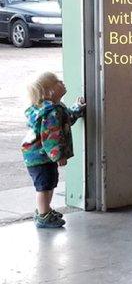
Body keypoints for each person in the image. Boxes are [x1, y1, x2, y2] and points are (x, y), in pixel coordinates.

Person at [21, 72, 86, 228]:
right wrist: (59, 155)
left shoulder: (54, 109)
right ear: (49, 92)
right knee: (44, 187)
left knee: (48, 183)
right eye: (57, 81)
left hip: (40, 156)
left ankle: (45, 211)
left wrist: (78, 108)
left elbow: (67, 118)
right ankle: (43, 216)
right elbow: (51, 136)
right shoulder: (51, 112)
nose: (62, 81)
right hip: (40, 157)